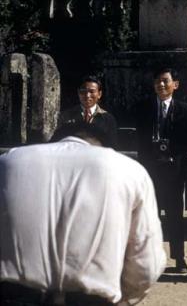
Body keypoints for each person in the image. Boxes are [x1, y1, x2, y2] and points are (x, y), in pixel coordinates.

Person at [0, 122, 166, 305]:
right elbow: (146, 263)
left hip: (13, 295)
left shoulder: (8, 162)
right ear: (104, 148)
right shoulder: (128, 170)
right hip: (91, 298)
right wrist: (124, 298)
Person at [135, 67, 187, 273]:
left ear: (175, 85)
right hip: (151, 170)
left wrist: (171, 152)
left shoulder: (185, 110)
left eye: (165, 81)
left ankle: (179, 258)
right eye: (157, 81)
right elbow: (139, 140)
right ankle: (150, 259)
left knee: (175, 217)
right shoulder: (143, 108)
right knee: (150, 217)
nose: (160, 85)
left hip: (174, 172)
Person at [58, 75, 118, 148]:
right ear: (78, 93)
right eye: (83, 91)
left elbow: (112, 147)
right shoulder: (66, 116)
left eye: (92, 91)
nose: (87, 95)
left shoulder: (108, 119)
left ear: (99, 94)